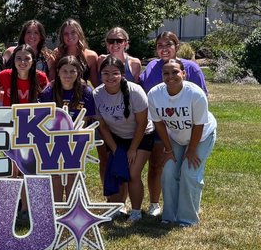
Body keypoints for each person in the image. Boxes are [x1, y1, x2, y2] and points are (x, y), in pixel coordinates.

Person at [141, 30, 209, 219]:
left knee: (188, 170)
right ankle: (160, 207)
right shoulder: (152, 68)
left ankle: (188, 208)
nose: (164, 49)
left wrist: (192, 146)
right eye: (159, 45)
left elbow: (201, 106)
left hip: (193, 126)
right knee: (162, 167)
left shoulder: (191, 68)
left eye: (168, 45)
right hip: (164, 127)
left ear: (176, 46)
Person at [148, 58, 217, 227]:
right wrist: (168, 148)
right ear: (161, 75)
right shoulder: (155, 94)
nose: (170, 76)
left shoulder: (195, 94)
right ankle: (169, 215)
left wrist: (192, 150)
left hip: (201, 136)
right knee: (169, 171)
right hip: (177, 137)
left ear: (184, 74)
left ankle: (187, 218)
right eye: (166, 73)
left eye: (175, 72)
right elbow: (158, 123)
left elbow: (199, 125)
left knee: (189, 172)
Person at [93, 55, 154, 223]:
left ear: (122, 74)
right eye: (106, 73)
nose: (110, 77)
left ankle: (136, 212)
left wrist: (132, 149)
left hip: (141, 136)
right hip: (116, 138)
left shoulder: (135, 91)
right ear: (100, 75)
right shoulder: (97, 94)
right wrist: (115, 150)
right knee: (117, 170)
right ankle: (117, 208)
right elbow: (102, 126)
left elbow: (142, 124)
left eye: (115, 73)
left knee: (133, 174)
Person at [39, 55, 97, 201]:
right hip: (53, 139)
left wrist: (72, 139)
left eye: (72, 71)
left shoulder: (86, 92)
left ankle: (71, 205)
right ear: (58, 72)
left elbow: (85, 119)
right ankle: (57, 206)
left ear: (78, 72)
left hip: (77, 138)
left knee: (72, 172)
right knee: (55, 173)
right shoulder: (49, 91)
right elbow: (44, 118)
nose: (68, 75)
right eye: (65, 71)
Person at [55, 18, 100, 85]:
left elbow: (96, 84)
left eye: (73, 32)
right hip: (61, 94)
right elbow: (52, 81)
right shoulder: (57, 54)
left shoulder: (91, 56)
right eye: (66, 34)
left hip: (82, 94)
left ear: (79, 33)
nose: (69, 36)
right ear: (62, 37)